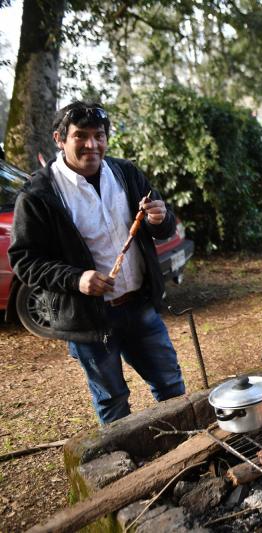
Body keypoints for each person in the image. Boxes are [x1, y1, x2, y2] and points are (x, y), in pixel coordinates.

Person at [9, 101, 186, 424]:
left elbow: (163, 224)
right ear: (60, 139)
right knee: (113, 403)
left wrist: (159, 219)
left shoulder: (126, 174)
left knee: (171, 387)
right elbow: (25, 260)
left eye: (99, 135)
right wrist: (77, 279)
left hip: (140, 307)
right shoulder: (38, 194)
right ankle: (126, 472)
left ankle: (191, 459)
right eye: (81, 136)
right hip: (89, 320)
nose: (92, 144)